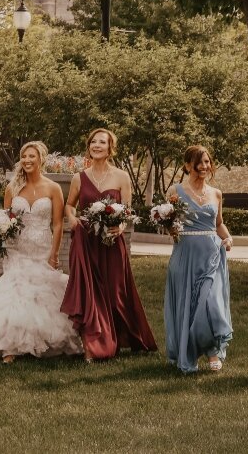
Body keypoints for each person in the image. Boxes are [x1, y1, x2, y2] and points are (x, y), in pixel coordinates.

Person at [0, 141, 82, 363]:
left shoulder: (53, 188)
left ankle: (41, 342)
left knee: (40, 294)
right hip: (16, 248)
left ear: (41, 159)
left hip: (42, 247)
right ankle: (11, 346)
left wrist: (54, 254)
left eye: (32, 156)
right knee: (16, 293)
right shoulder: (12, 188)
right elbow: (4, 219)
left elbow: (58, 224)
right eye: (24, 157)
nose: (28, 160)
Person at [61, 128, 157, 361]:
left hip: (112, 242)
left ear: (110, 147)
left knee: (115, 292)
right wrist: (73, 219)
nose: (96, 145)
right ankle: (93, 346)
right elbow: (69, 205)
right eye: (93, 142)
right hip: (85, 241)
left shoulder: (122, 176)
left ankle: (121, 337)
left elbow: (127, 210)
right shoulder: (79, 177)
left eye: (101, 142)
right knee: (90, 292)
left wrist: (121, 227)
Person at [164, 145, 233, 372]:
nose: (204, 167)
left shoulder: (216, 193)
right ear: (187, 166)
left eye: (207, 162)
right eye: (199, 162)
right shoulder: (174, 191)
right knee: (188, 305)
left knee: (209, 302)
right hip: (185, 254)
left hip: (211, 254)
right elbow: (168, 222)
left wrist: (228, 237)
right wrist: (170, 230)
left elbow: (218, 223)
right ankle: (190, 352)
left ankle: (212, 351)